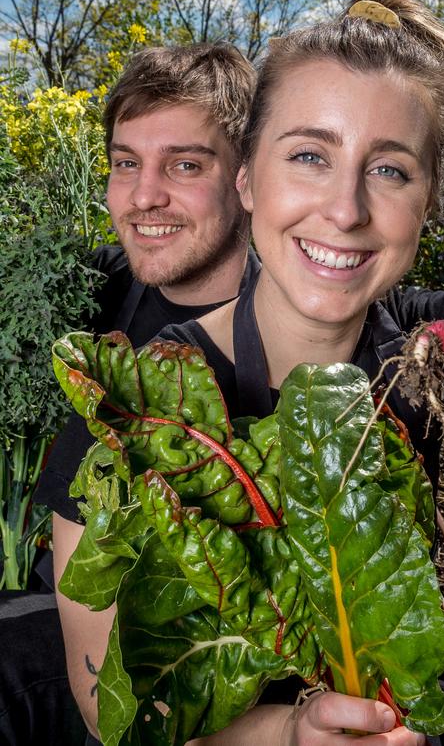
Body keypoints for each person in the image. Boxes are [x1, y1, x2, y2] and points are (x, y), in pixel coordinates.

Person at [48, 0, 444, 746]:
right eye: (309, 155)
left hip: (417, 695)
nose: (345, 209)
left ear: (428, 203)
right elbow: (113, 704)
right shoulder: (131, 406)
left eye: (391, 171)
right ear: (246, 181)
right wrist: (290, 731)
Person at [0, 42, 259, 746]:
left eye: (184, 164)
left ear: (247, 178)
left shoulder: (295, 322)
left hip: (184, 673)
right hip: (57, 616)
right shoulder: (98, 286)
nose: (143, 196)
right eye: (124, 162)